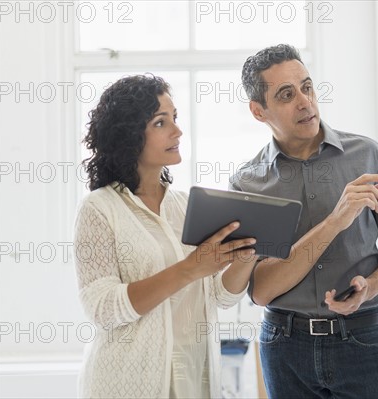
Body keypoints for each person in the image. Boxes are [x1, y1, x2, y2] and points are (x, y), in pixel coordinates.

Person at [230, 44, 378, 398]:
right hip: (285, 347)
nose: (304, 102)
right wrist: (335, 221)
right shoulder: (248, 183)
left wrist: (373, 285)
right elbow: (261, 290)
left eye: (307, 86)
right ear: (259, 111)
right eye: (286, 95)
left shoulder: (365, 154)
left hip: (364, 337)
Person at [73, 74, 257, 398]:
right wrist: (190, 268)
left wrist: (245, 256)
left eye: (175, 118)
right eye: (161, 123)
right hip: (126, 385)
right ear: (129, 135)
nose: (177, 131)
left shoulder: (187, 205)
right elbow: (102, 308)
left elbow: (217, 296)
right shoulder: (99, 209)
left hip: (194, 380)